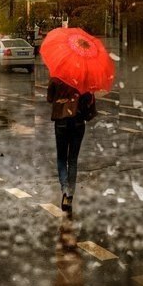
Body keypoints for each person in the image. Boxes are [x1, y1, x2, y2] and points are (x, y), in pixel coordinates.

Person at [46, 78, 96, 214]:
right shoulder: (84, 78)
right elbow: (88, 100)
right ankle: (70, 196)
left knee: (62, 158)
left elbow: (50, 98)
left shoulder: (57, 76)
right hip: (78, 122)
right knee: (72, 160)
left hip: (61, 121)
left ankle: (65, 190)